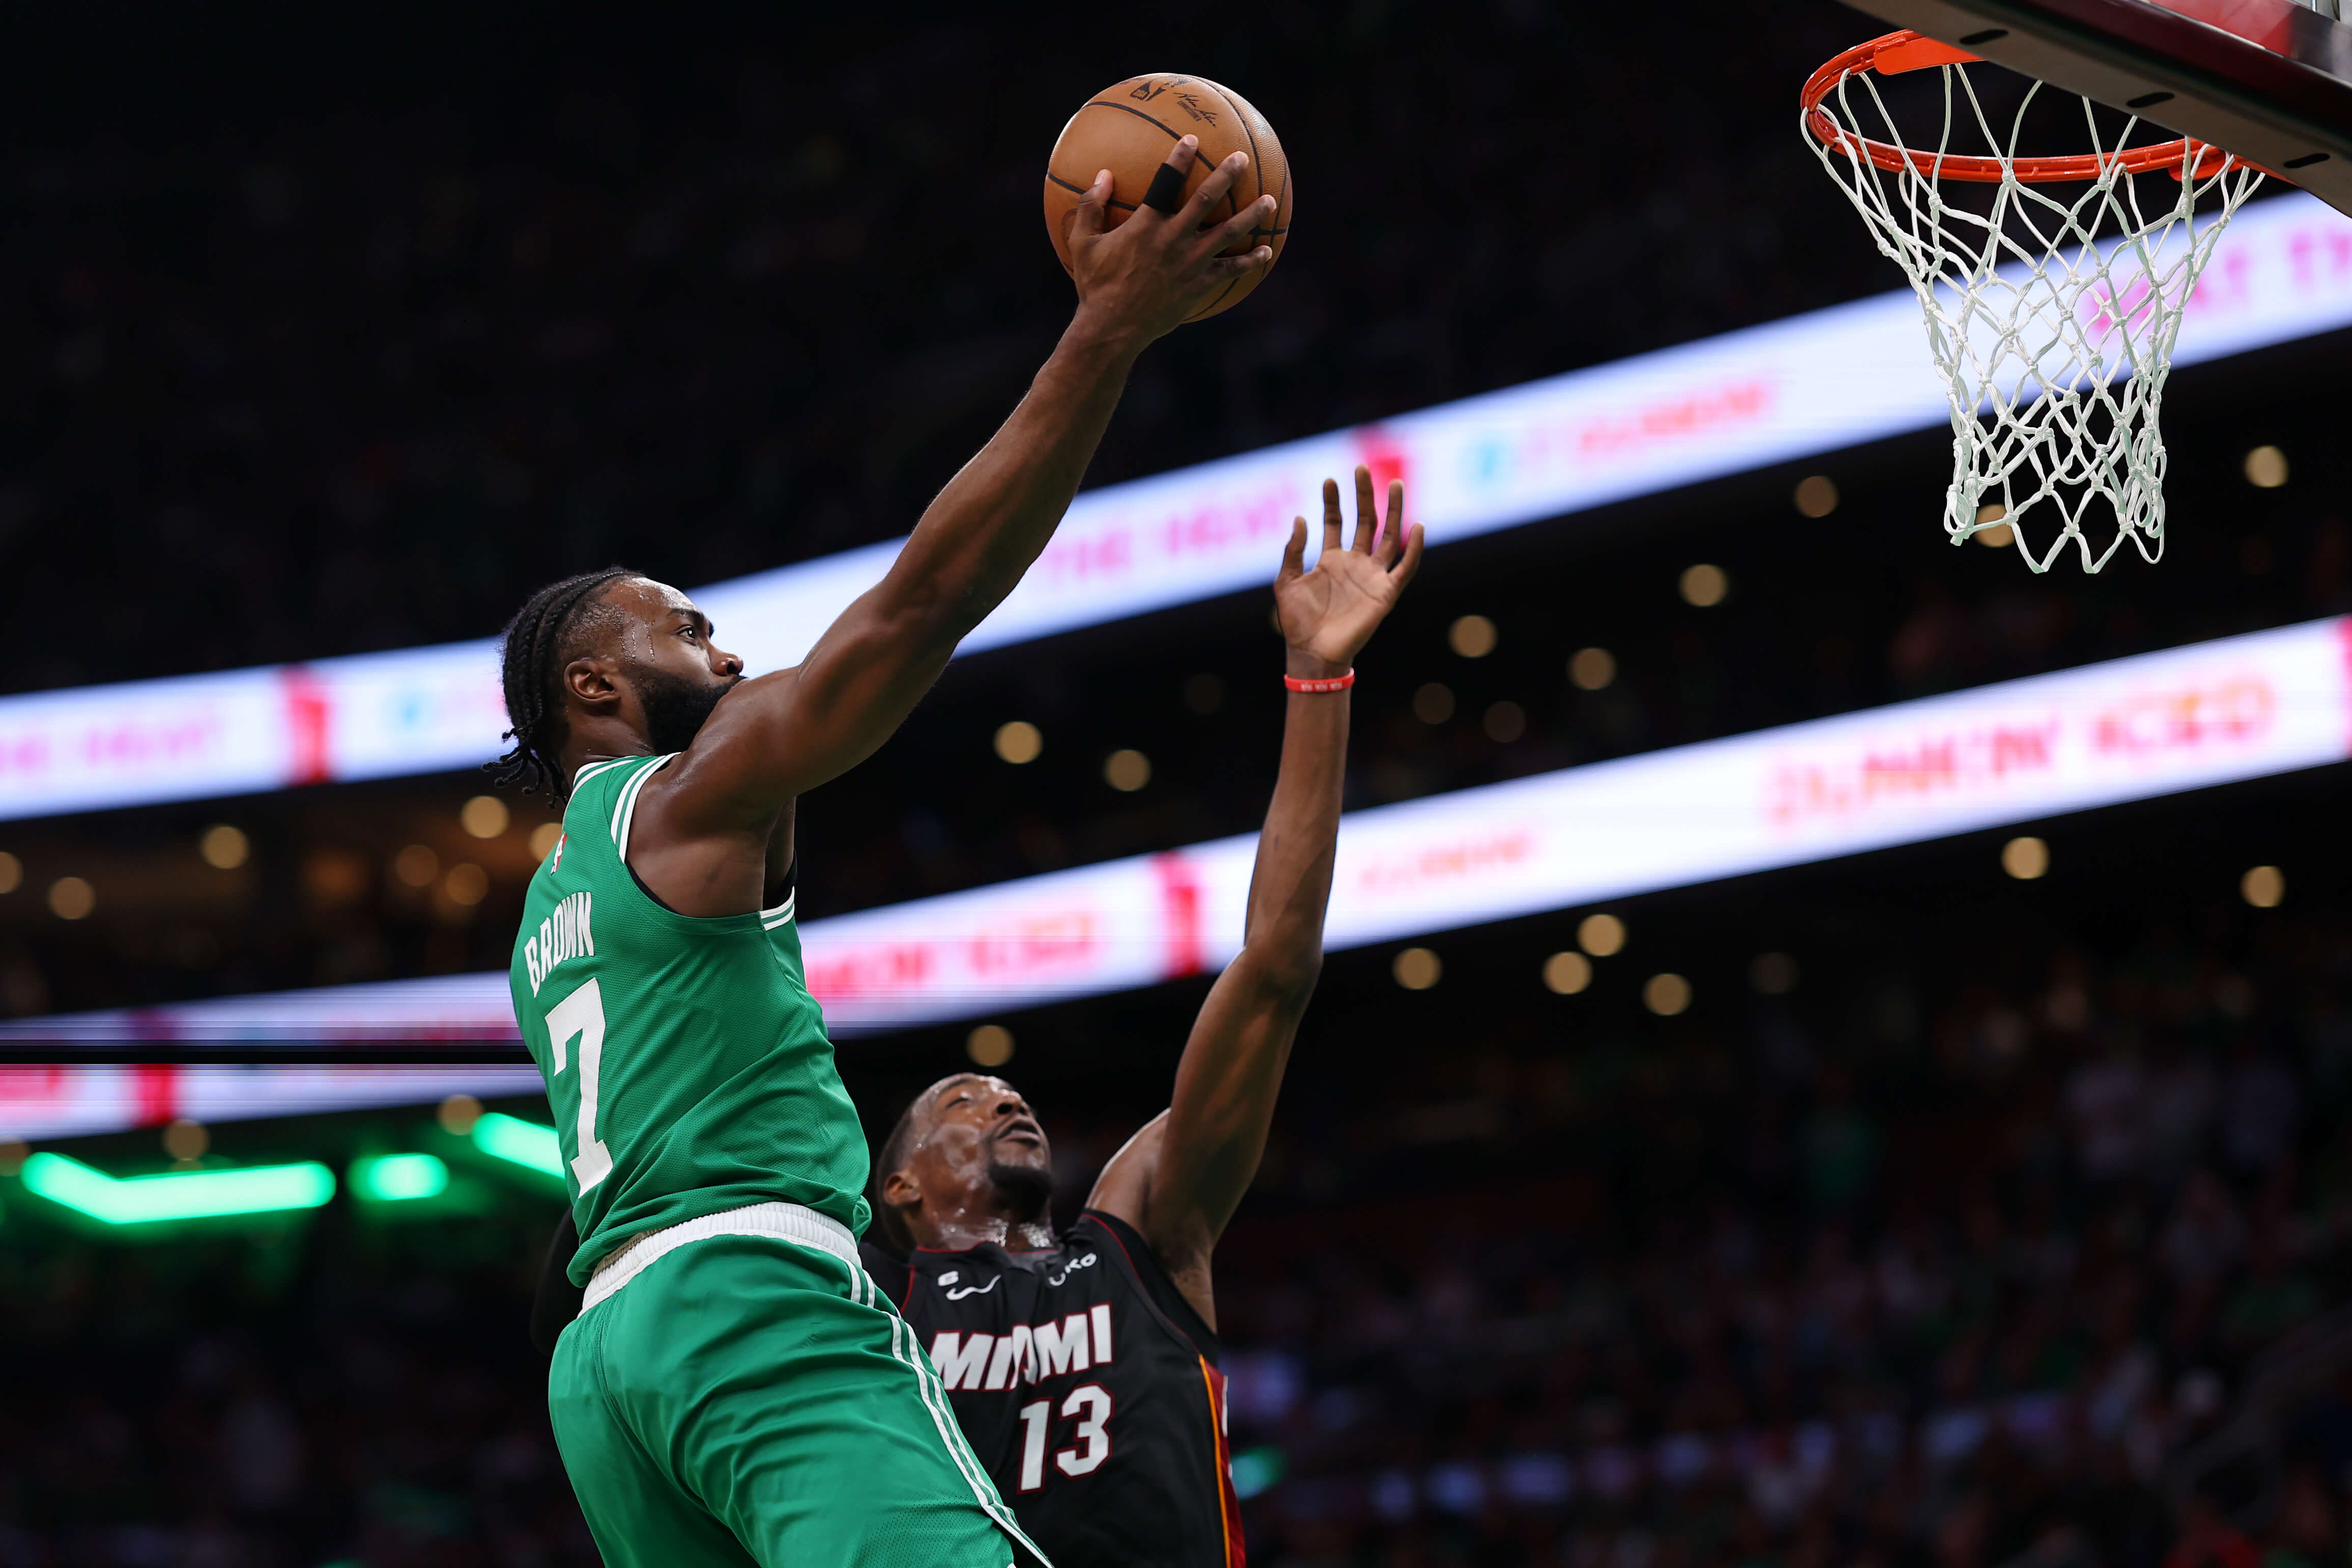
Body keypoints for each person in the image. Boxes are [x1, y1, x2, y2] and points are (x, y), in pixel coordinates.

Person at [498, 136, 1278, 1568]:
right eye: (683, 630)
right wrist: (1108, 328)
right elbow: (921, 604)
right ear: (594, 693)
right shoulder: (682, 796)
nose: (725, 654)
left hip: (603, 1367)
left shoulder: (550, 907)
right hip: (746, 1300)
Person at [537, 468, 1423, 1568]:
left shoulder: (1141, 1230)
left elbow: (1276, 971)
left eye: (1001, 1089)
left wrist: (1319, 680)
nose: (1000, 1094)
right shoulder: (860, 1295)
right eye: (954, 1101)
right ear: (891, 1187)